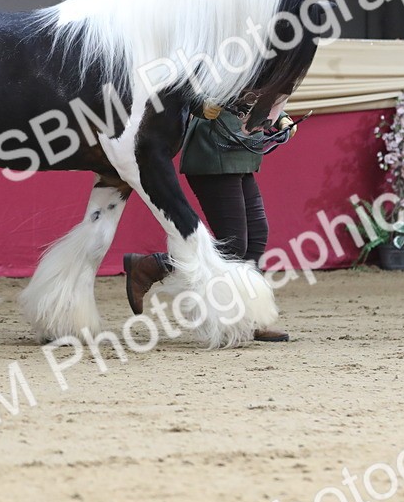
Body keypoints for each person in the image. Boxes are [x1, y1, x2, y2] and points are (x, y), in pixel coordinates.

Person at [123, 96, 299, 342]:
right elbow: (197, 91)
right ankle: (152, 266)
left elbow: (260, 92)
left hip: (241, 150)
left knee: (256, 236)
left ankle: (247, 319)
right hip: (213, 150)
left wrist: (278, 115)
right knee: (234, 246)